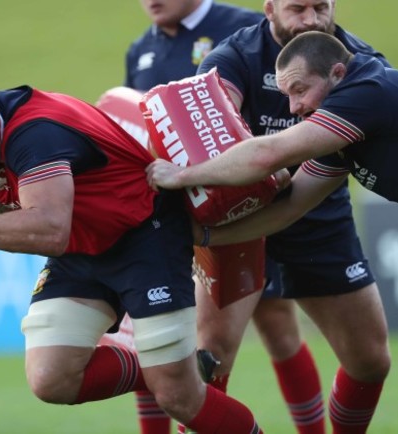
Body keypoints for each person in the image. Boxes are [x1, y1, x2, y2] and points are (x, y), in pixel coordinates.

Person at [0, 76, 266, 434]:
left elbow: (50, 231)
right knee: (51, 378)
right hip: (83, 245)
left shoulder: (36, 135)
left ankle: (171, 373)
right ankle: (162, 366)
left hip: (144, 237)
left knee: (178, 398)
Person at [147, 29, 398, 388]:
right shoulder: (342, 139)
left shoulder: (367, 92)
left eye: (301, 90)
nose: (294, 108)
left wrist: (184, 174)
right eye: (287, 95)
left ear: (337, 74)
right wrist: (206, 235)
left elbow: (267, 155)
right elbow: (288, 209)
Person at [168, 1, 393, 433]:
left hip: (319, 216)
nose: (311, 19)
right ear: (269, 8)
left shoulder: (360, 63)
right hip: (237, 221)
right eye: (297, 8)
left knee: (370, 359)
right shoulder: (231, 59)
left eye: (320, 6)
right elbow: (206, 132)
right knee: (208, 358)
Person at [124, 1, 278, 433]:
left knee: (270, 330)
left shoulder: (243, 28)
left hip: (240, 207)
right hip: (165, 214)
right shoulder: (140, 50)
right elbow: (133, 126)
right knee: (152, 331)